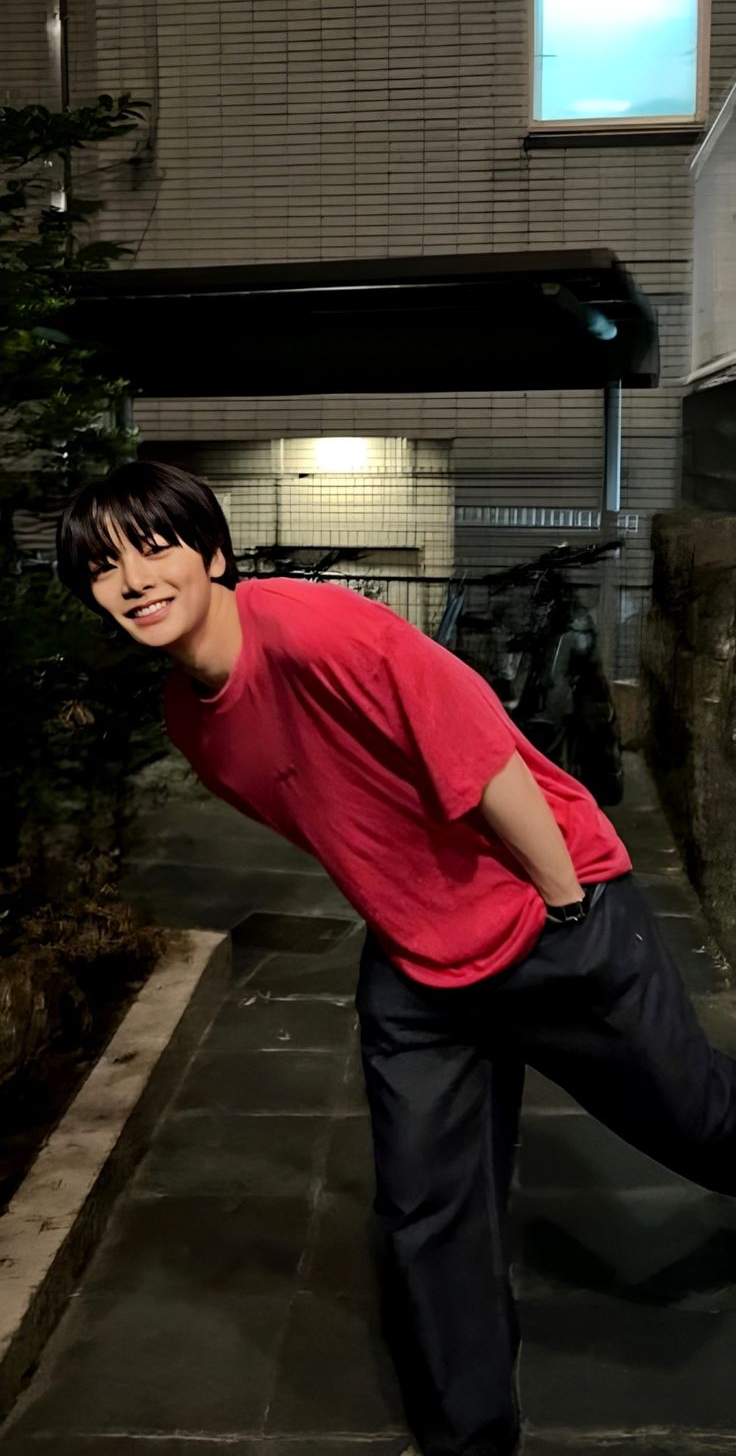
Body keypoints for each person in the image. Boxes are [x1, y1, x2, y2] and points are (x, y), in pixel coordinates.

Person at [56, 458, 736, 1456]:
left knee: (698, 1123)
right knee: (429, 1214)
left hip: (552, 913)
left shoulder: (312, 626)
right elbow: (332, 819)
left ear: (211, 554)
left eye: (154, 546)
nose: (133, 578)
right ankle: (469, 1438)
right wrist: (406, 905)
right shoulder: (186, 718)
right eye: (104, 565)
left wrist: (565, 903)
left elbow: (479, 748)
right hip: (419, 969)